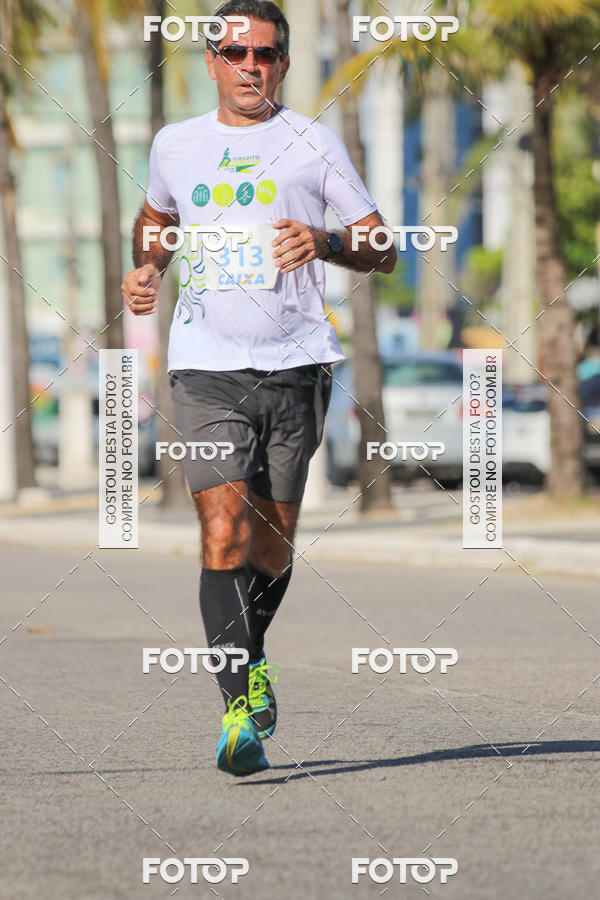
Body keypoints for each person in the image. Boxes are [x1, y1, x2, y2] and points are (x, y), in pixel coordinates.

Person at [121, 0, 396, 777]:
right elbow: (155, 219)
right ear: (210, 60)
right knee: (224, 535)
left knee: (272, 549)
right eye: (236, 52)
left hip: (298, 363)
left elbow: (382, 245)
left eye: (266, 54)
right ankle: (238, 710)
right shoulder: (177, 143)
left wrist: (328, 240)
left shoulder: (313, 142)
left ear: (281, 63)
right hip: (204, 365)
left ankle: (253, 655)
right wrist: (148, 268)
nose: (252, 66)